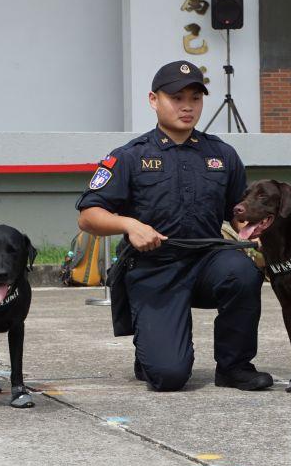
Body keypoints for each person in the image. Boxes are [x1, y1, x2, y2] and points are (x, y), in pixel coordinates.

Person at [76, 60, 272, 392]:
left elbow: (238, 213)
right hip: (155, 268)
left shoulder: (222, 155)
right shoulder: (129, 156)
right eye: (176, 97)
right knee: (169, 376)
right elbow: (89, 215)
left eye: (195, 98)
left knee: (242, 271)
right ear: (154, 100)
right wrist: (130, 225)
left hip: (208, 261)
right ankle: (150, 350)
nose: (187, 106)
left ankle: (234, 366)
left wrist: (257, 230)